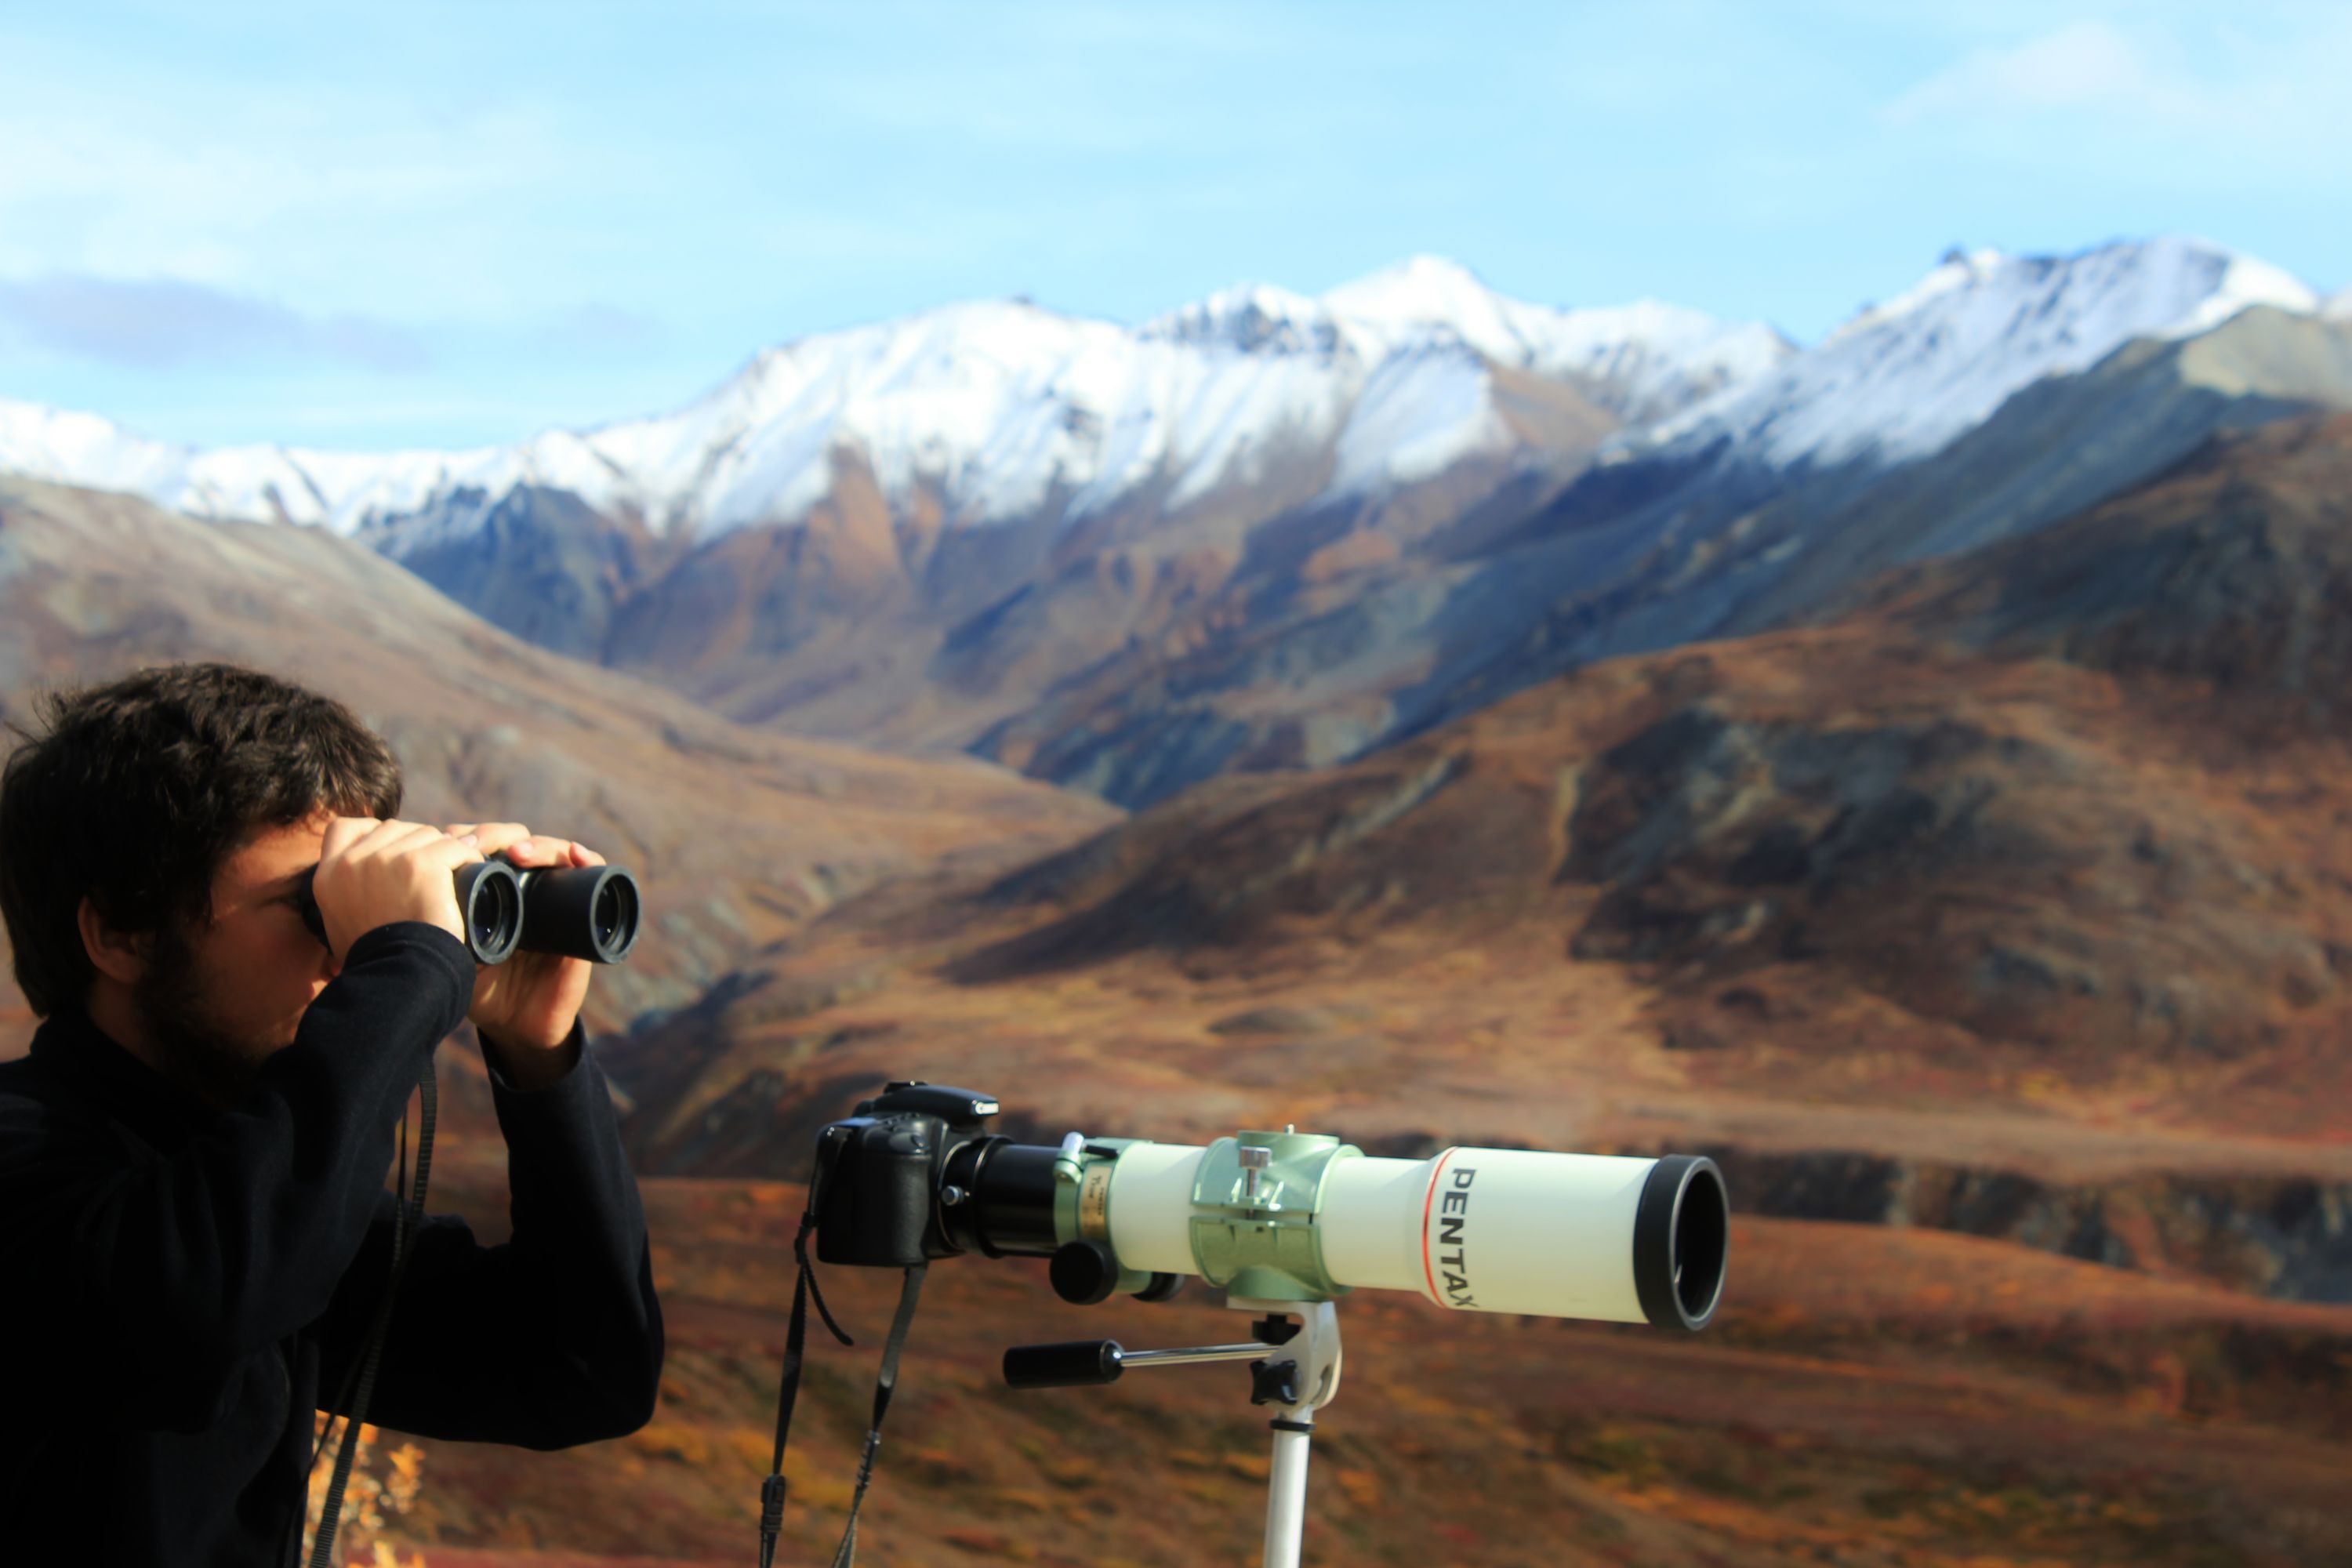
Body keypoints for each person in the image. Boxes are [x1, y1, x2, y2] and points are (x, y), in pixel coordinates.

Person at [0, 662, 665, 1564]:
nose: (346, 951)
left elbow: (580, 1372)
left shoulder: (248, 1184)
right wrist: (410, 964)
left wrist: (539, 1056)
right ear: (122, 932)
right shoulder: (34, 1159)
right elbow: (202, 1297)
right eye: (311, 904)